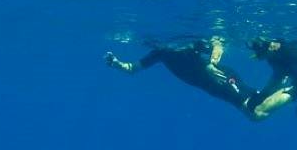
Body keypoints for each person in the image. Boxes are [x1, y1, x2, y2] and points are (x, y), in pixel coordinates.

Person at [104, 37, 272, 119]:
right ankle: (281, 89)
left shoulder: (190, 45)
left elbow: (217, 45)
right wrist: (116, 63)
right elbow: (132, 69)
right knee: (254, 103)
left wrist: (212, 64)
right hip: (211, 86)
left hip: (221, 77)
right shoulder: (159, 53)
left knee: (254, 112)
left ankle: (285, 91)